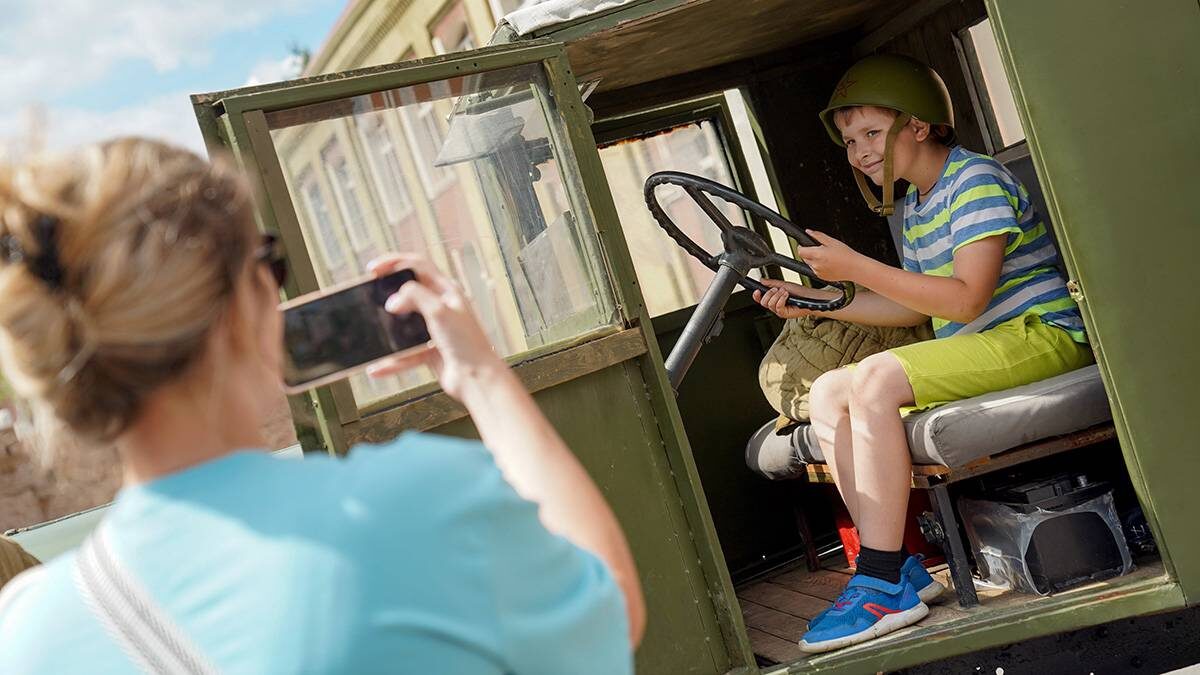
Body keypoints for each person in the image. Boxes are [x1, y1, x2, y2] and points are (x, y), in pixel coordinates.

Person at [0, 138, 645, 673]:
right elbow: (611, 612)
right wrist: (481, 377)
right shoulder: (414, 503)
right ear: (236, 308)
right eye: (269, 262)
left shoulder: (27, 636)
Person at [752, 54, 1092, 653]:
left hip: (1040, 336)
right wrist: (816, 303)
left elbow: (965, 300)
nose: (858, 152)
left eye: (871, 133)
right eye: (850, 140)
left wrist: (856, 267)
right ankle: (898, 565)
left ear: (920, 125)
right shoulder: (915, 205)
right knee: (832, 388)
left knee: (877, 378)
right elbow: (916, 309)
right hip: (986, 346)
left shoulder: (975, 180)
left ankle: (880, 580)